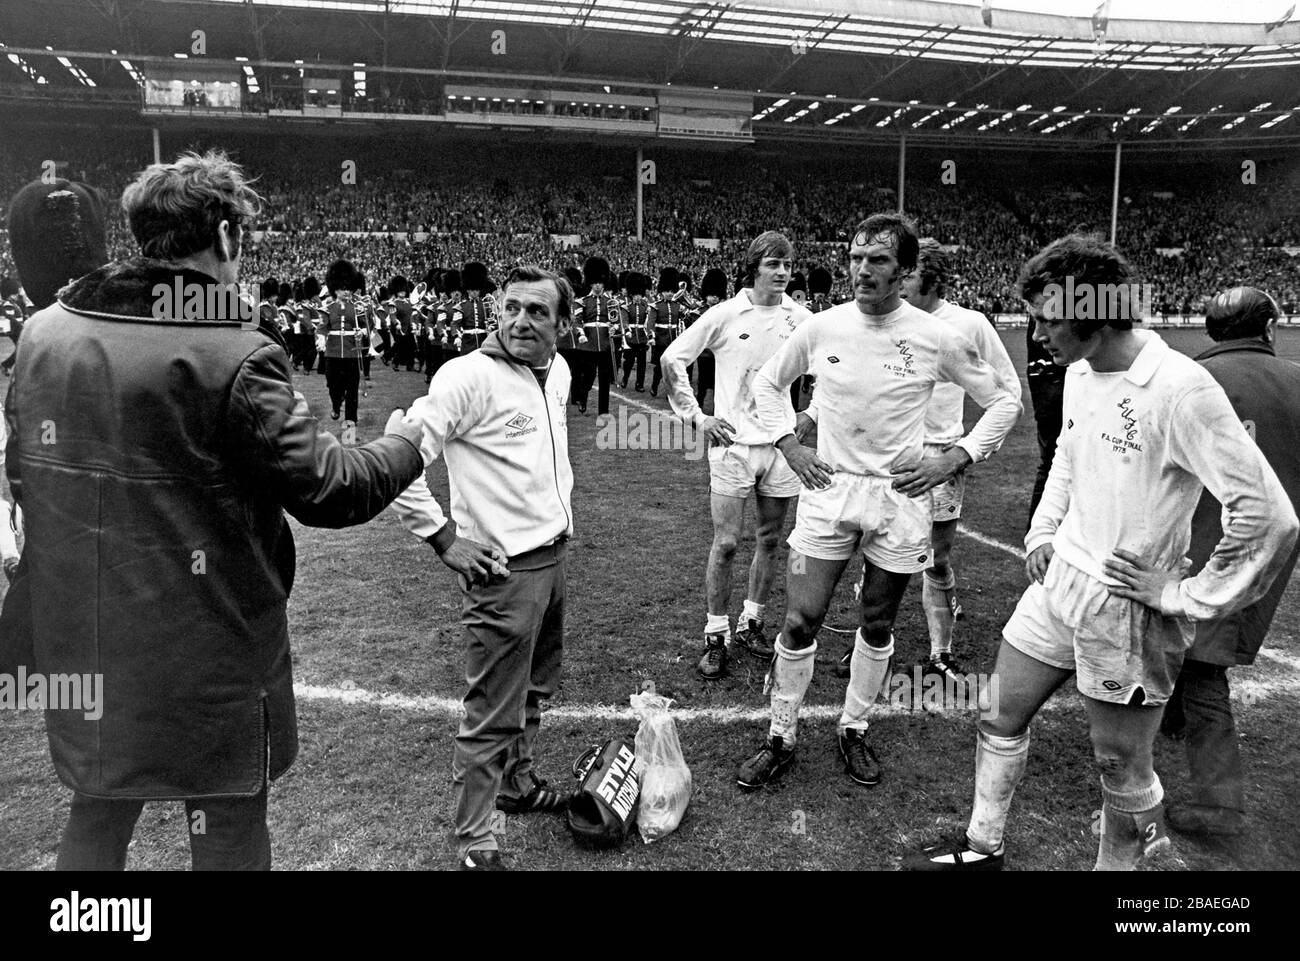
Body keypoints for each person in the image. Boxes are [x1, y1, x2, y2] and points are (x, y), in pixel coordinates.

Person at [0, 153, 426, 871]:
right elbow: (330, 487)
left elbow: (25, 474)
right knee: (225, 824)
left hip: (91, 636)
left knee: (98, 812)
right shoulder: (234, 350)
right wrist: (406, 444)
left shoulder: (43, 334)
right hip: (213, 646)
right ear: (226, 237)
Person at [907, 237, 1298, 872]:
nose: (1035, 334)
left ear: (1097, 312)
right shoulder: (1083, 372)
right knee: (1000, 713)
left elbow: (1268, 516)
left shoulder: (1180, 388)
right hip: (1060, 586)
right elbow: (1067, 454)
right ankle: (984, 849)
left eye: (1047, 319)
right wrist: (1042, 534)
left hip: (1127, 613)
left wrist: (1182, 596)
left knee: (1121, 764)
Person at [737, 213, 1021, 790]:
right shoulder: (822, 328)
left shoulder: (937, 336)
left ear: (906, 270)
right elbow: (767, 383)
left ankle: (854, 726)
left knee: (877, 618)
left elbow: (1004, 402)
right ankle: (781, 734)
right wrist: (788, 443)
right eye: (855, 258)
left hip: (900, 501)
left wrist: (955, 457)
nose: (862, 270)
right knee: (800, 618)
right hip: (827, 491)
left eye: (879, 261)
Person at [392, 264, 577, 872]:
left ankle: (517, 786)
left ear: (562, 324)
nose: (521, 321)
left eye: (538, 311)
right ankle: (476, 841)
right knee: (491, 709)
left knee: (537, 687)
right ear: (497, 311)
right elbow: (398, 456)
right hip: (503, 574)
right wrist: (443, 536)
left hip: (553, 558)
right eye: (512, 307)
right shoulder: (466, 377)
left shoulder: (558, 373)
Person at [1160, 287, 1300, 839]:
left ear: (1211, 330)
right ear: (1267, 329)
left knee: (1201, 665)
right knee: (1200, 652)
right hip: (1276, 544)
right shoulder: (1297, 377)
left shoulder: (1188, 380)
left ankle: (1221, 808)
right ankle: (1170, 720)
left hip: (1202, 540)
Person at [661, 231, 813, 680]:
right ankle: (715, 633)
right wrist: (697, 418)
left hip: (782, 449)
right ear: (754, 267)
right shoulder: (725, 314)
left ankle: (752, 622)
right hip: (733, 447)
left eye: (787, 264)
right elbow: (673, 360)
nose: (783, 272)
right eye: (773, 264)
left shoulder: (803, 319)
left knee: (769, 541)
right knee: (726, 543)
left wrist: (810, 413)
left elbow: (833, 365)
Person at [901, 239, 1021, 684]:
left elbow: (1008, 393)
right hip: (889, 458)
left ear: (929, 277)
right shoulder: (884, 319)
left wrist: (968, 450)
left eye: (908, 273)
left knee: (936, 557)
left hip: (941, 458)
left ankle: (940, 652)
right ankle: (874, 640)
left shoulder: (969, 324)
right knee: (882, 553)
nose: (898, 280)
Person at [321, 259, 371, 444]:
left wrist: (362, 332)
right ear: (335, 289)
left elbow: (367, 327)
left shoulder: (357, 308)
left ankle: (348, 435)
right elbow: (322, 327)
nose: (347, 291)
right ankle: (335, 403)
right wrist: (320, 339)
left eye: (349, 288)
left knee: (352, 393)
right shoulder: (327, 308)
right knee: (333, 386)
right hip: (332, 354)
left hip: (351, 354)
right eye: (343, 288)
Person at [572, 256, 622, 421]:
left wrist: (615, 328)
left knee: (605, 378)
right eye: (595, 283)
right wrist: (581, 334)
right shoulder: (582, 302)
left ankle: (603, 411)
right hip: (588, 344)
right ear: (591, 283)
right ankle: (582, 397)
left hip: (605, 345)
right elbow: (577, 320)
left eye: (600, 282)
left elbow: (615, 322)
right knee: (588, 376)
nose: (598, 286)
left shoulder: (611, 302)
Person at [619, 272, 652, 392]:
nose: (637, 297)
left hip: (642, 338)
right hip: (631, 337)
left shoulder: (645, 306)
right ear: (632, 295)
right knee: (629, 362)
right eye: (635, 295)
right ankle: (625, 377)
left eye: (639, 294)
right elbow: (624, 319)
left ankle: (639, 384)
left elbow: (648, 321)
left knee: (642, 363)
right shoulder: (626, 306)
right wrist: (627, 330)